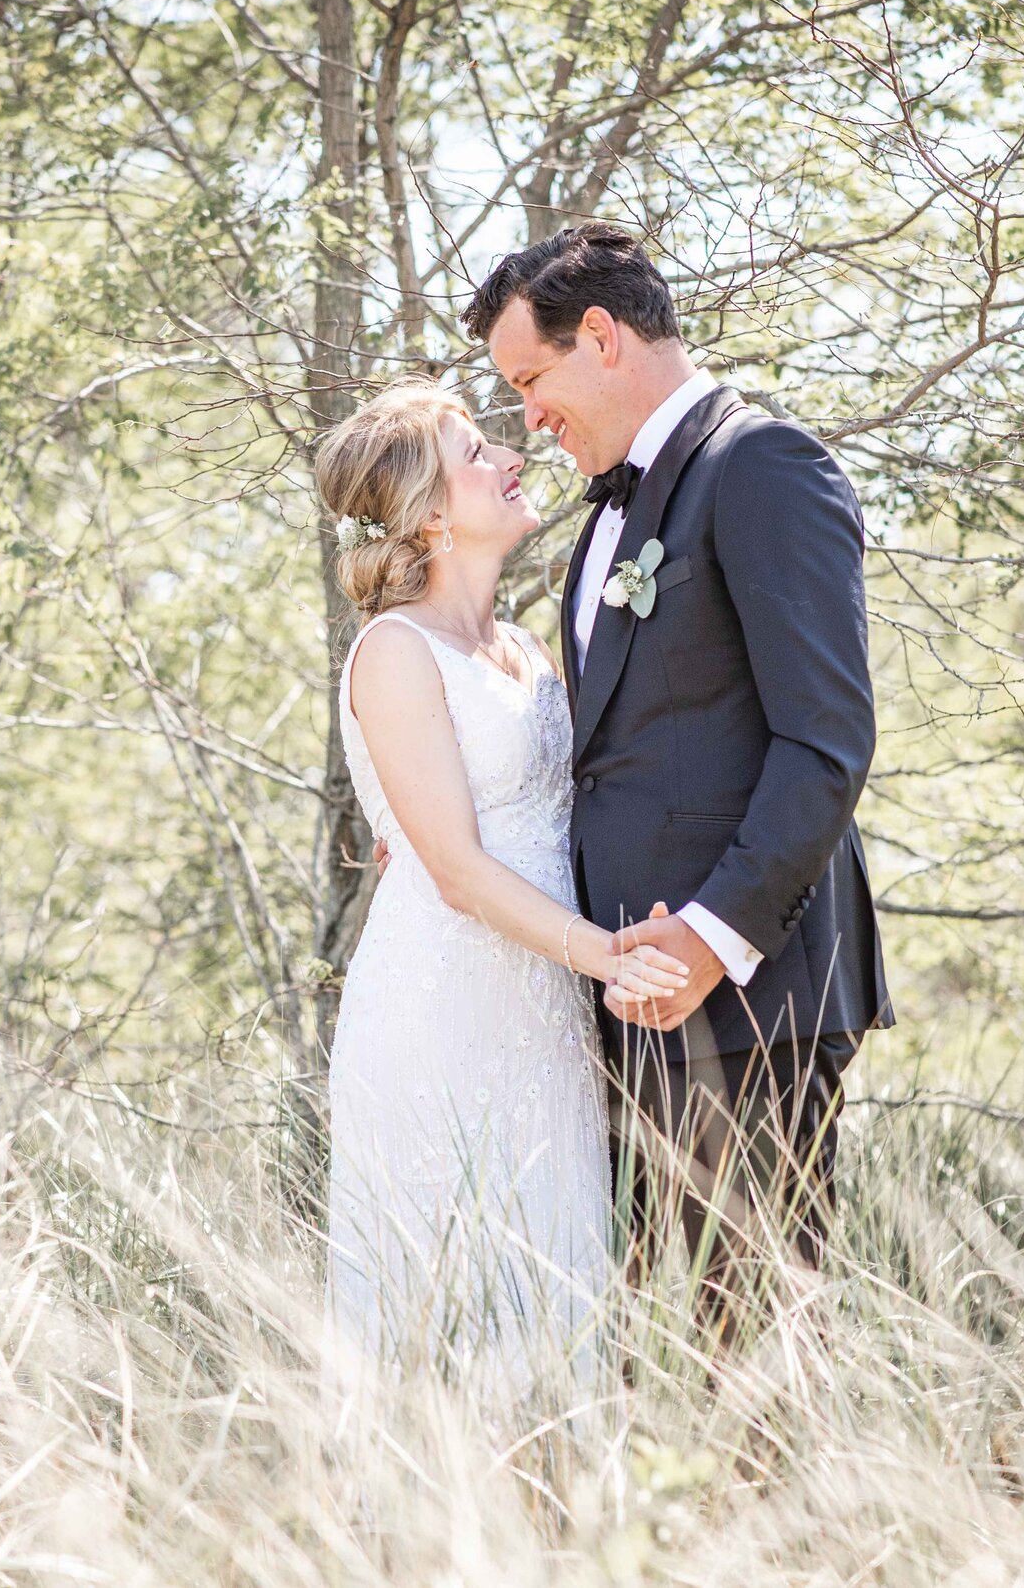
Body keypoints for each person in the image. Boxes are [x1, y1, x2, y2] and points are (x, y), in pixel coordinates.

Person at [462, 222, 893, 1352]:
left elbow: (825, 741)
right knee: (660, 1342)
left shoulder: (762, 464)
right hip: (626, 999)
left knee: (747, 1341)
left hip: (747, 998)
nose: (529, 418)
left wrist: (708, 938)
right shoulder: (606, 516)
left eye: (530, 380)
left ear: (598, 336)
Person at [316, 380, 688, 1410]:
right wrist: (604, 956)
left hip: (544, 1018)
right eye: (475, 452)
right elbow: (452, 866)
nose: (510, 456)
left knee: (557, 1291)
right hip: (442, 1012)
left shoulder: (524, 648)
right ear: (430, 511)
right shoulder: (394, 650)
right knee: (438, 1306)